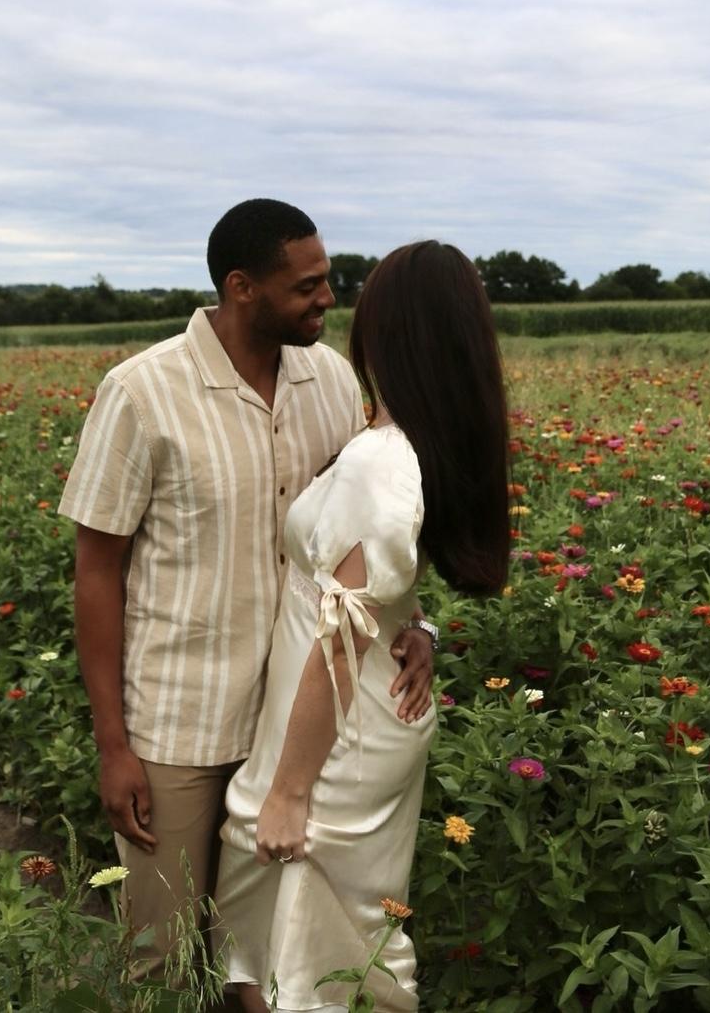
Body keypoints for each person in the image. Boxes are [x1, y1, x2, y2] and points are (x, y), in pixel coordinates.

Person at [58, 199, 435, 979]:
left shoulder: (330, 379)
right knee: (163, 956)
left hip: (297, 725)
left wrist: (419, 625)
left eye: (328, 280)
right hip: (177, 727)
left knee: (262, 961)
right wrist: (113, 744)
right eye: (307, 286)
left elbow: (364, 531)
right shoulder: (140, 393)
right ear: (241, 288)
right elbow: (97, 571)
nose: (328, 299)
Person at [214, 240, 510, 1012]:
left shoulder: (380, 460)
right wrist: (424, 629)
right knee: (305, 933)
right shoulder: (415, 444)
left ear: (387, 334)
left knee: (304, 940)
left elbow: (338, 644)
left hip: (335, 727)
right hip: (360, 711)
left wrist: (286, 790)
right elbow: (386, 588)